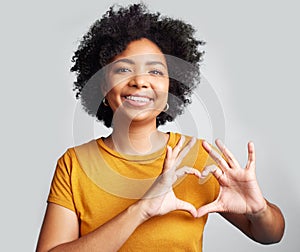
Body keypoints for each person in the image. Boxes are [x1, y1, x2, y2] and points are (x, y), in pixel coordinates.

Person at [36, 3, 285, 251]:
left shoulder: (197, 156)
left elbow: (270, 235)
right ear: (103, 86)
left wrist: (259, 209)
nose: (140, 81)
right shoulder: (75, 164)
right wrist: (142, 209)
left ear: (170, 91)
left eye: (155, 71)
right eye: (124, 69)